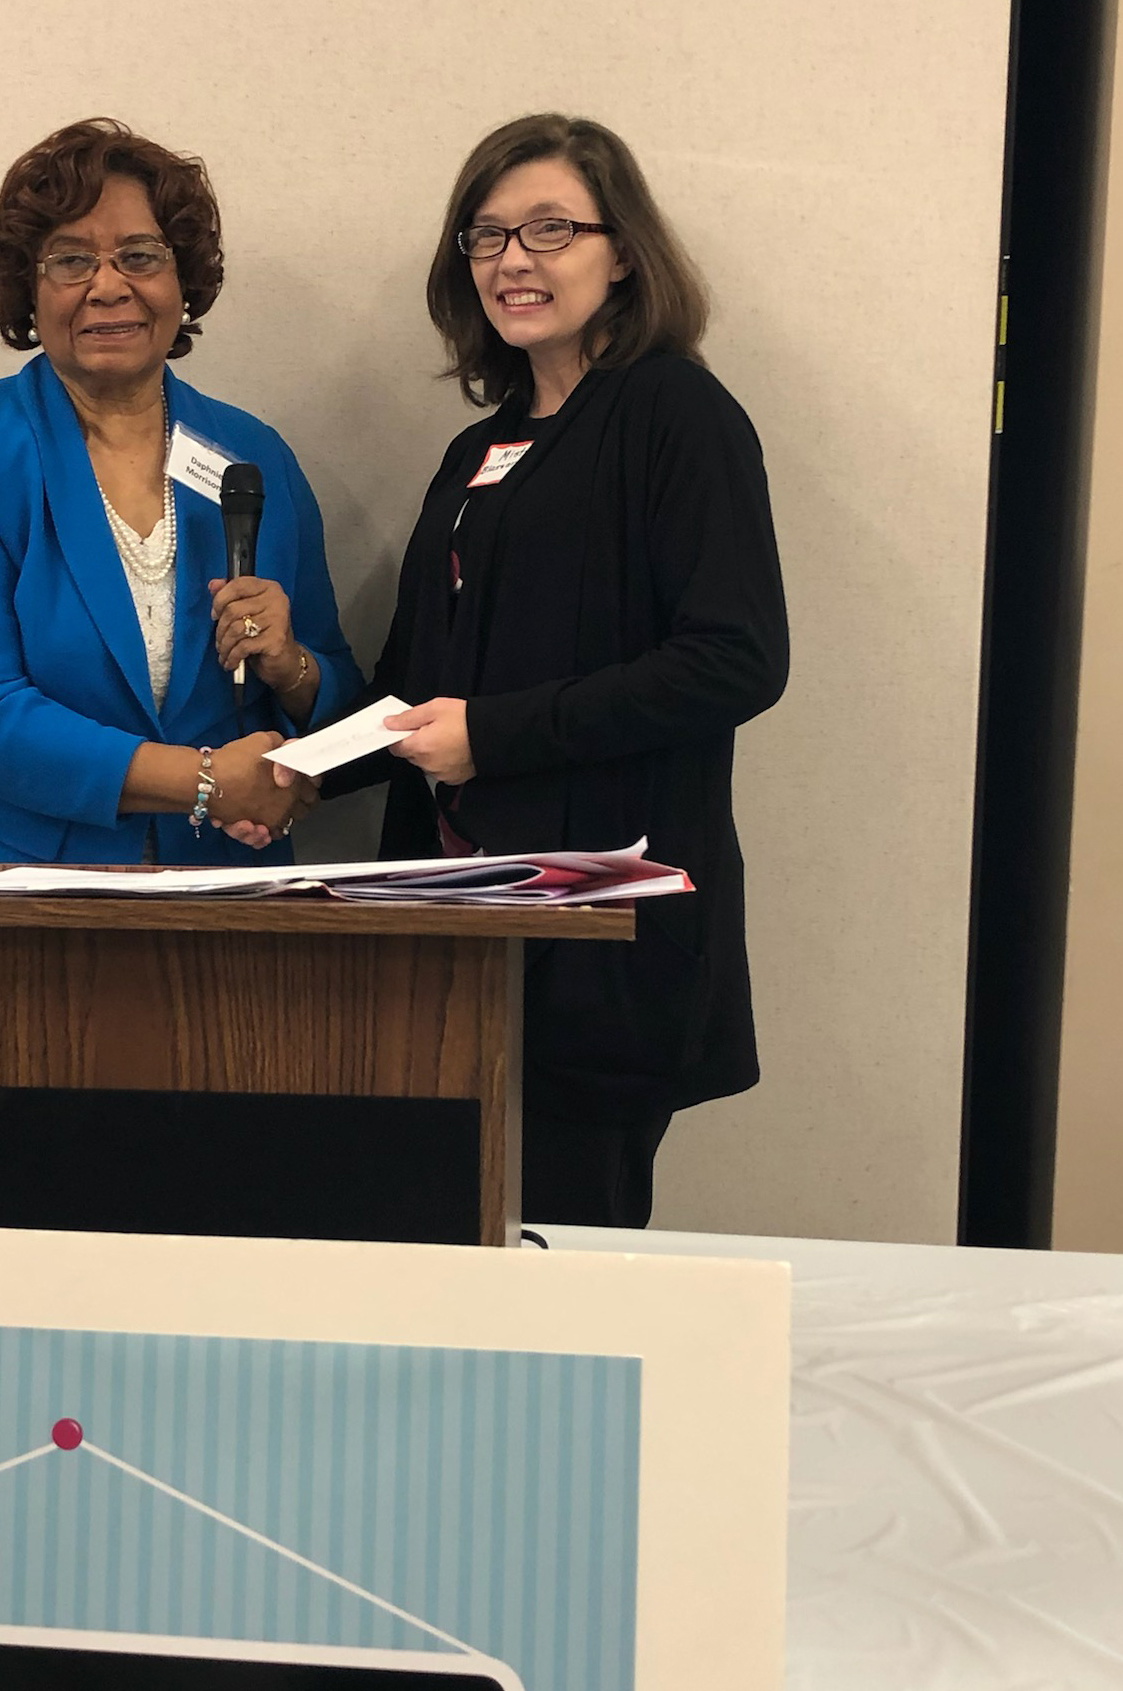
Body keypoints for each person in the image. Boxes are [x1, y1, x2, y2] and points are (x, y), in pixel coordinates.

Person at [368, 113, 789, 1227]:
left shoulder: (676, 415)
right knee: (443, 1246)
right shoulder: (479, 450)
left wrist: (495, 736)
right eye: (489, 234)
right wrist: (300, 747)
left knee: (567, 1261)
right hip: (456, 922)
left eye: (552, 229)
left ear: (625, 251)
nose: (515, 259)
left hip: (596, 922)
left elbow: (736, 658)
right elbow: (417, 687)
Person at [0, 118, 361, 1007]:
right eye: (69, 260)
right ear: (29, 285)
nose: (107, 287)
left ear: (181, 281)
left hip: (226, 904)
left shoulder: (252, 455)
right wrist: (206, 781)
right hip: (18, 901)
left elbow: (335, 694)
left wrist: (291, 669)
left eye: (138, 255)